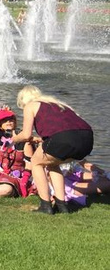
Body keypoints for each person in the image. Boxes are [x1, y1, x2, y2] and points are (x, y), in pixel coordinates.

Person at [12, 85, 94, 214]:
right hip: (87, 138)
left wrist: (15, 139)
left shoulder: (31, 105)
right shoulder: (58, 104)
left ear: (23, 100)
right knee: (52, 164)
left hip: (64, 138)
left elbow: (26, 134)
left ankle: (45, 205)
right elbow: (66, 125)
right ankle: (62, 205)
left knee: (36, 162)